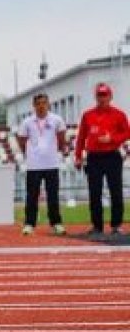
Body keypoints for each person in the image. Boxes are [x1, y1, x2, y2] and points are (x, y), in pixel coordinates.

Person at [74, 82, 130, 237]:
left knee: (116, 191)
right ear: (95, 97)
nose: (102, 98)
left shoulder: (119, 114)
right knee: (94, 192)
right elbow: (81, 138)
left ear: (110, 96)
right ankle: (97, 226)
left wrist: (112, 138)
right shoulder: (88, 115)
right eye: (99, 95)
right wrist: (78, 157)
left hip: (112, 155)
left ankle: (116, 225)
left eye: (105, 95)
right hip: (94, 158)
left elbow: (127, 133)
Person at [16, 92, 67, 236]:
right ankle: (29, 224)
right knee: (32, 195)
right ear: (34, 106)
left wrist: (57, 151)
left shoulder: (56, 120)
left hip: (52, 163)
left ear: (48, 104)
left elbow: (62, 138)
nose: (41, 106)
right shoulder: (27, 122)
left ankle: (56, 223)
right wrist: (29, 152)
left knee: (53, 196)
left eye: (44, 103)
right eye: (38, 104)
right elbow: (21, 139)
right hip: (34, 165)